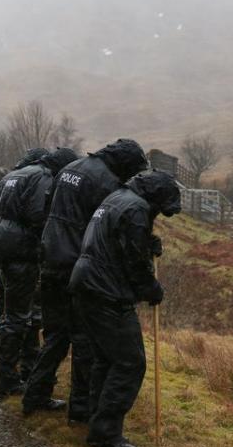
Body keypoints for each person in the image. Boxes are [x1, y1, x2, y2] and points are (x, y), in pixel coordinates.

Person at [22, 139, 148, 421]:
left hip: (51, 257)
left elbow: (45, 210)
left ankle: (34, 396)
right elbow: (107, 228)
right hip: (77, 263)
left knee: (54, 335)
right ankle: (80, 411)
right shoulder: (106, 182)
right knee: (84, 341)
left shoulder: (71, 167)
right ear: (124, 163)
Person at [69, 169, 181, 447]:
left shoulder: (117, 198)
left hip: (86, 282)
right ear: (156, 198)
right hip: (107, 291)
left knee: (106, 360)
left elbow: (118, 243)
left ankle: (98, 424)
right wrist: (150, 288)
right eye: (160, 208)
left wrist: (146, 245)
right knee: (130, 362)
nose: (158, 213)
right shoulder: (136, 208)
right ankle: (106, 433)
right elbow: (132, 260)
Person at [0, 148, 79, 397]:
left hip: (0, 242)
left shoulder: (19, 173)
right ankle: (8, 378)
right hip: (20, 249)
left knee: (15, 309)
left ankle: (23, 368)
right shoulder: (44, 178)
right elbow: (37, 214)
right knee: (18, 316)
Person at [0, 148, 49, 358]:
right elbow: (35, 215)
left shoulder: (10, 178)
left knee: (6, 298)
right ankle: (11, 353)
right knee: (21, 303)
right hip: (13, 244)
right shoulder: (35, 179)